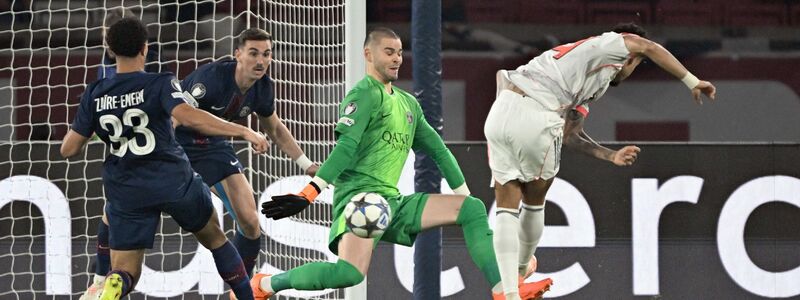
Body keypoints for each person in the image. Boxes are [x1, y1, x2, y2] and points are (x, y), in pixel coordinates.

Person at [253, 27, 551, 300]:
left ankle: (504, 290)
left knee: (471, 208)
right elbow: (344, 150)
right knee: (348, 274)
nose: (397, 58)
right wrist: (309, 194)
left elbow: (439, 152)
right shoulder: (363, 96)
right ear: (368, 54)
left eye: (399, 52)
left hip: (391, 202)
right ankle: (265, 285)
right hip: (360, 201)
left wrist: (465, 201)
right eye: (389, 52)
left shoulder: (408, 104)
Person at [484, 23, 716, 299]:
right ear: (630, 55)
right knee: (535, 200)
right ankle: (519, 277)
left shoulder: (588, 77)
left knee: (506, 204)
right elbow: (649, 47)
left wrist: (611, 155)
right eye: (637, 64)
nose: (633, 70)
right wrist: (692, 80)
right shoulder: (610, 44)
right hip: (537, 112)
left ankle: (508, 289)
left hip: (500, 112)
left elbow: (571, 136)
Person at [61, 17, 268, 300]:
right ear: (145, 48)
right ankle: (246, 296)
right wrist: (243, 130)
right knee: (216, 239)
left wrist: (99, 127)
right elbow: (189, 116)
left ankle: (111, 282)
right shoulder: (160, 83)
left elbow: (69, 149)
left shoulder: (95, 94)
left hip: (127, 187)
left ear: (109, 50)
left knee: (126, 271)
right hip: (173, 180)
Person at [174, 28, 319, 282]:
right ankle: (103, 277)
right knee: (145, 206)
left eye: (266, 54)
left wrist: (306, 164)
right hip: (176, 145)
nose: (260, 61)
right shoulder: (210, 79)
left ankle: (242, 290)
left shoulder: (262, 87)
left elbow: (274, 127)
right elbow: (178, 116)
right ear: (238, 54)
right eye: (253, 53)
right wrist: (244, 131)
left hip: (213, 147)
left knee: (251, 224)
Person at [80, 8, 173, 300]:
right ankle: (100, 279)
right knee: (110, 213)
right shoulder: (110, 67)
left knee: (115, 214)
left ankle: (100, 280)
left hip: (141, 155)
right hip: (143, 152)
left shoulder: (135, 66)